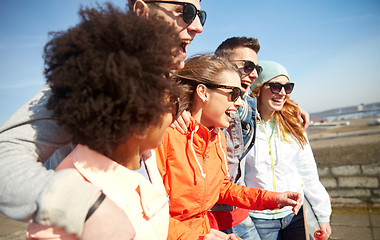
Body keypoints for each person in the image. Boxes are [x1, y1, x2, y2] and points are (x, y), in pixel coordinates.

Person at [0, 0, 204, 238]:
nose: (198, 26)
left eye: (201, 15)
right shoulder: (91, 75)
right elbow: (5, 158)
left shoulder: (163, 74)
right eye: (185, 12)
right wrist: (86, 206)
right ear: (141, 11)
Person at [155, 54, 303, 240]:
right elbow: (148, 212)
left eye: (240, 95)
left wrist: (273, 199)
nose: (240, 103)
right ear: (203, 92)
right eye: (233, 93)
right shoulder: (164, 136)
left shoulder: (215, 136)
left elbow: (222, 189)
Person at [243, 61, 332, 240]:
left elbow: (308, 173)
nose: (283, 92)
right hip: (259, 219)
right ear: (258, 89)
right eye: (275, 87)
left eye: (288, 87)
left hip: (295, 215)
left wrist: (322, 215)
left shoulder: (293, 125)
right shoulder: (243, 126)